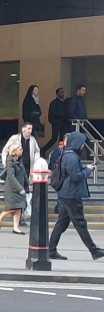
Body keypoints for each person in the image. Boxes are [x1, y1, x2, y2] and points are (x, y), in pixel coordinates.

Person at [48, 130, 104, 261]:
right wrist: (88, 169)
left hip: (65, 193)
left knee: (62, 223)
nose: (83, 146)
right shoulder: (72, 157)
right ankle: (94, 250)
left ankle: (51, 250)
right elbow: (76, 176)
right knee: (80, 223)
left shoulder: (66, 155)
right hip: (71, 194)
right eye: (82, 143)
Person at [0, 139, 26, 235]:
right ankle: (0, 217)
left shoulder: (20, 160)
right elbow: (11, 177)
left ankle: (16, 227)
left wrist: (27, 184)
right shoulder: (10, 160)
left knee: (19, 208)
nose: (22, 150)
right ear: (15, 150)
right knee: (13, 207)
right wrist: (20, 188)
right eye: (20, 149)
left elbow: (24, 174)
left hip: (20, 186)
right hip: (12, 188)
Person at [48, 134, 70, 215]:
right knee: (61, 191)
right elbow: (53, 161)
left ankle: (60, 207)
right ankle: (59, 207)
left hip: (66, 173)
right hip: (59, 173)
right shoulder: (59, 149)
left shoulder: (69, 149)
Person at [46, 87, 71, 153]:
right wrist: (61, 115)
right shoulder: (54, 103)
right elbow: (52, 113)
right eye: (61, 92)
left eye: (63, 92)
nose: (62, 93)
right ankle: (44, 149)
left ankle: (61, 152)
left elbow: (67, 111)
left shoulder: (65, 102)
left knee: (62, 139)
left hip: (64, 123)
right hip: (56, 123)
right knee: (54, 139)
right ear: (57, 93)